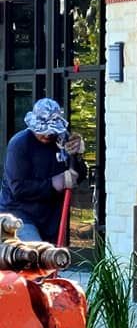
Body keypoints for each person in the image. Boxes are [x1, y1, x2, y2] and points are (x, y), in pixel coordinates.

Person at [0, 98, 86, 245]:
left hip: (50, 216)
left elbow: (77, 176)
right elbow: (18, 189)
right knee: (36, 255)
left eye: (51, 131)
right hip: (19, 215)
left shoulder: (61, 139)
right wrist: (54, 183)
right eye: (43, 130)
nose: (47, 135)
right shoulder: (20, 144)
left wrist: (77, 157)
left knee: (51, 262)